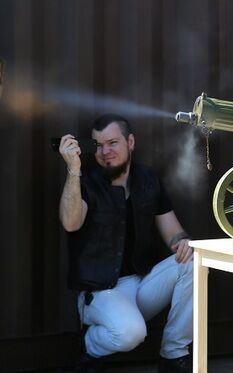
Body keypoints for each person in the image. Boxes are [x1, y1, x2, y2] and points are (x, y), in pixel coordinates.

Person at [58, 114, 193, 373]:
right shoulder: (85, 182)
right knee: (131, 334)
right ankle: (88, 345)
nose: (105, 151)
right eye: (98, 145)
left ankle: (173, 356)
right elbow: (71, 223)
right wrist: (73, 170)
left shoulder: (148, 180)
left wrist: (183, 242)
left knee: (195, 259)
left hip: (141, 285)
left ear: (130, 142)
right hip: (101, 292)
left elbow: (174, 233)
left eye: (112, 143)